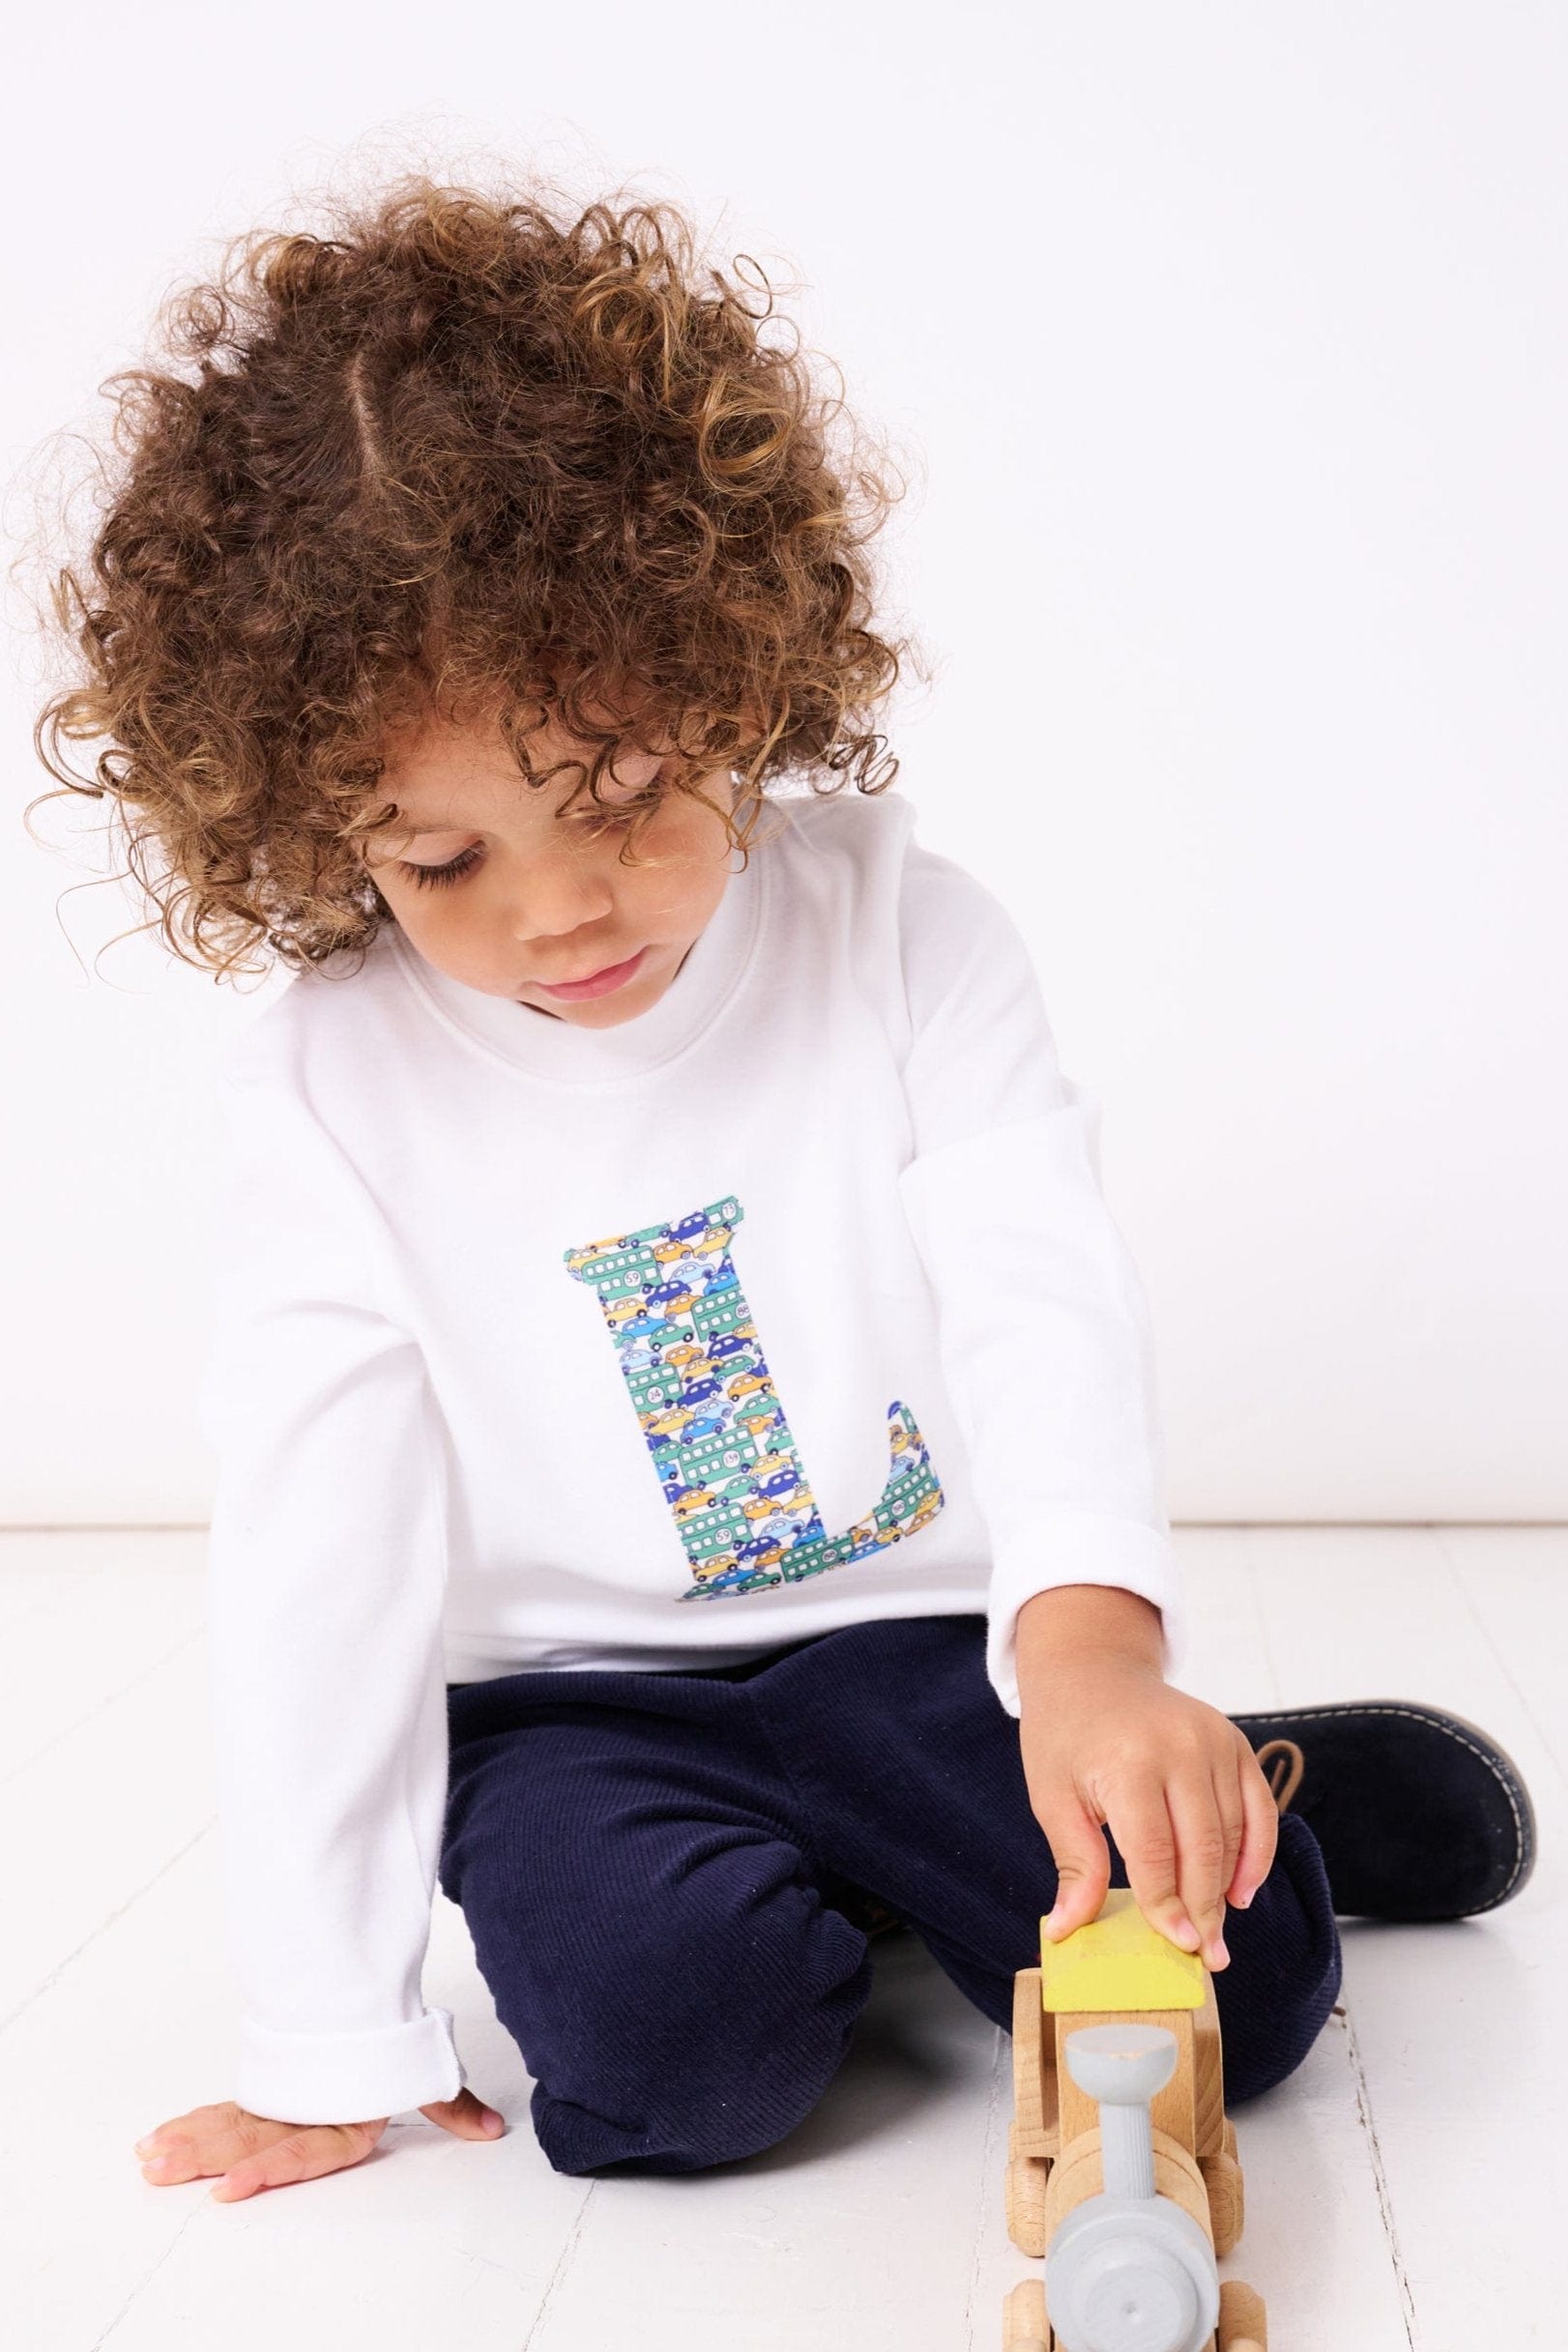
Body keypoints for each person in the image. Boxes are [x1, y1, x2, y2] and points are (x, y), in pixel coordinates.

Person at [30, 173, 1534, 2206]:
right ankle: (925, 1861)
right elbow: (322, 1550)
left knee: (1237, 2005)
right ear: (315, 829)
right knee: (678, 2064)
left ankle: (1200, 1769)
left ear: (736, 670)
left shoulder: (908, 939)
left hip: (917, 1641)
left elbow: (1034, 1296)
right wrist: (330, 2032)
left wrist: (1080, 1651)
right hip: (569, 1715)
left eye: (621, 796)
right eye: (441, 860)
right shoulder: (335, 1085)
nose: (557, 909)